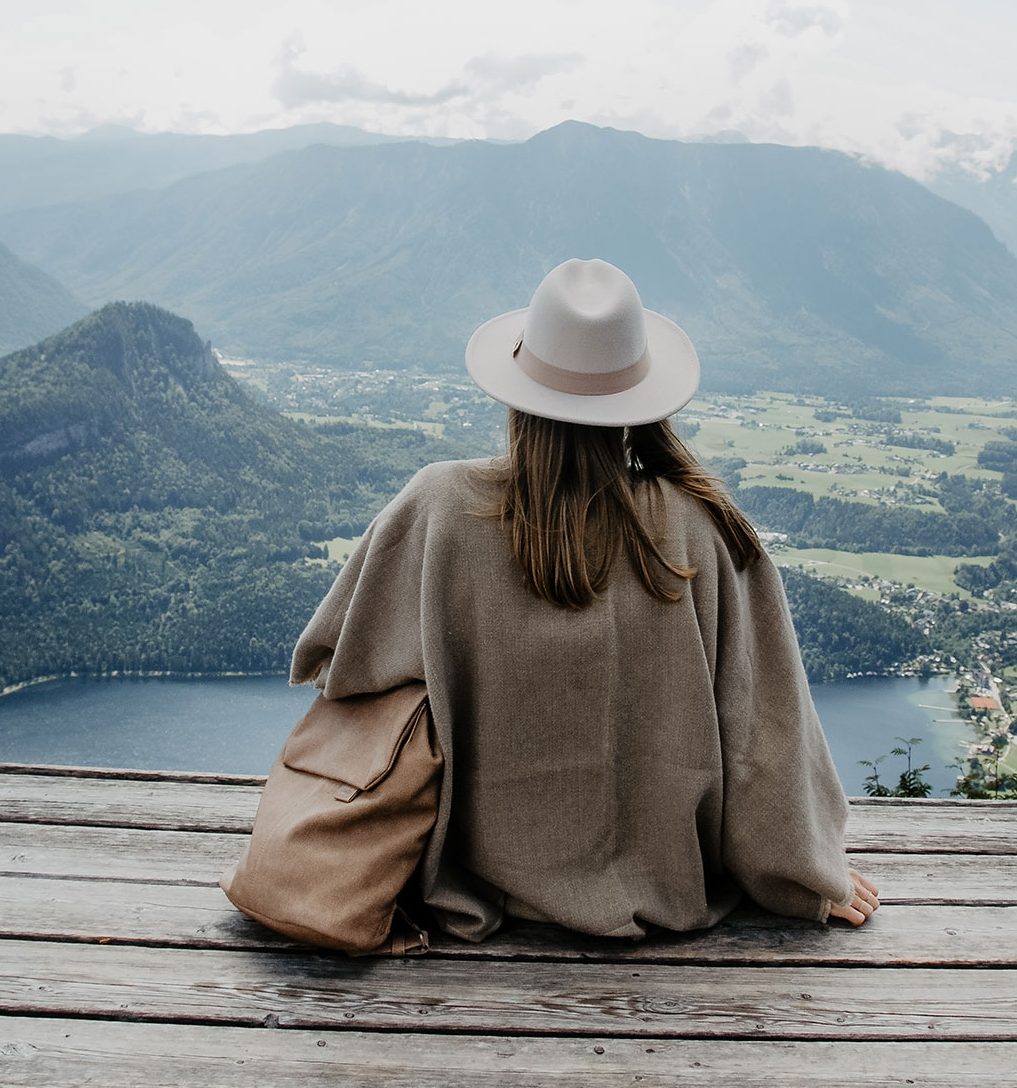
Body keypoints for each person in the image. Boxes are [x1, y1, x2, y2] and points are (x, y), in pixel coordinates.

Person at [290, 257, 879, 942]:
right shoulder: (703, 526)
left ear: (517, 387)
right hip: (666, 901)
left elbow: (336, 665)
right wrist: (804, 874)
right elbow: (762, 732)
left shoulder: (439, 506)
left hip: (465, 897)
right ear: (644, 395)